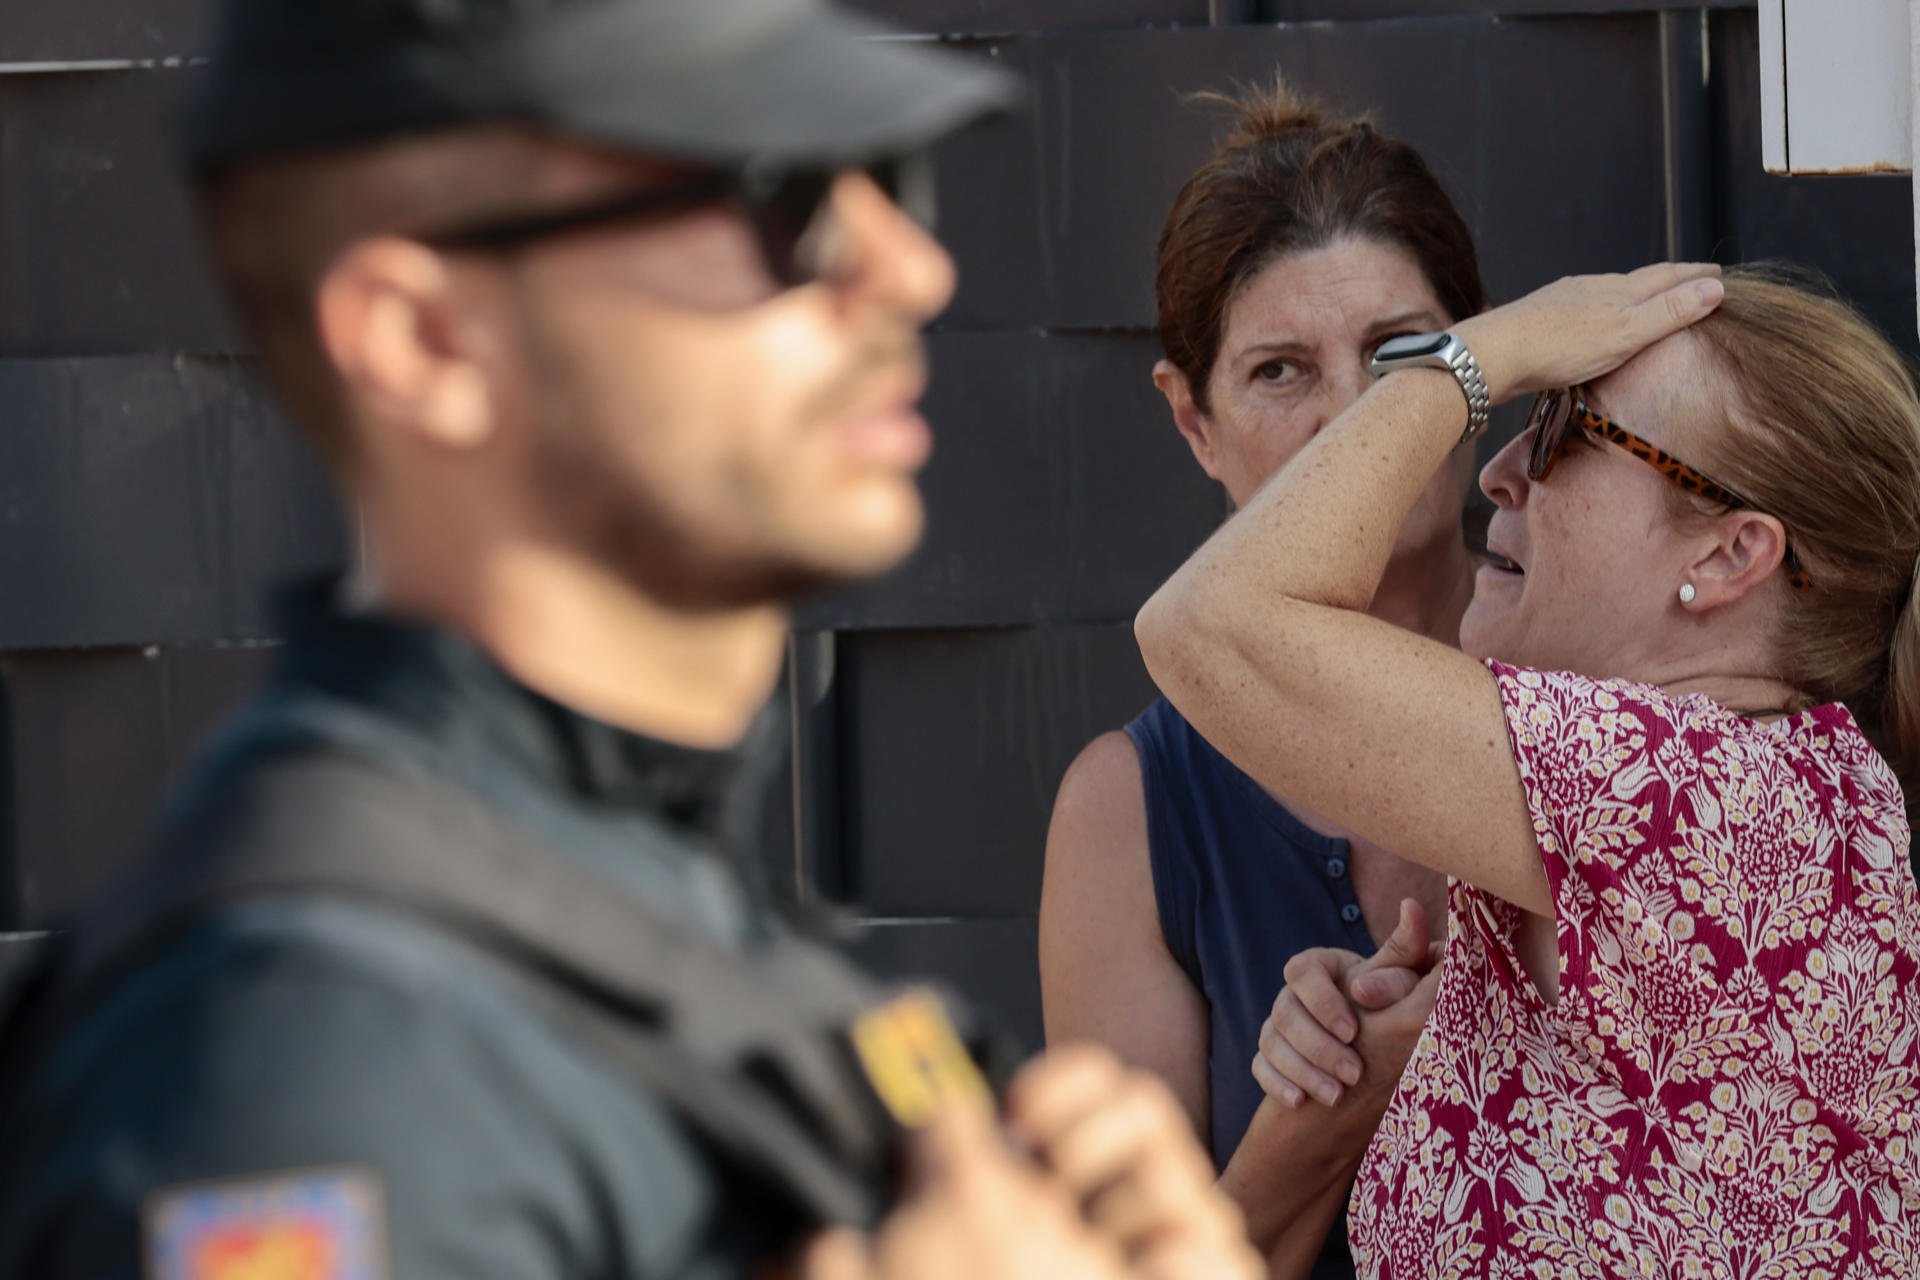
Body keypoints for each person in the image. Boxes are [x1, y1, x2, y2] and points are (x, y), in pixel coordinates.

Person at [0, 3, 1263, 1278]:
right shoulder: (300, 1067)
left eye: (883, 179)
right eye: (779, 198)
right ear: (423, 337)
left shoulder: (685, 926)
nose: (907, 270)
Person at [1135, 260, 1920, 1275]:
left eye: (1563, 431)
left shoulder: (1704, 790)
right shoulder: (1695, 797)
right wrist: (1386, 1051)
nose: (1500, 468)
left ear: (1731, 556)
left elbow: (1208, 626)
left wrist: (1476, 357)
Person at [1040, 83, 1479, 1275]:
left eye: (1402, 354)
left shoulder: (1625, 706)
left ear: (1480, 366)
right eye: (1282, 371)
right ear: (1194, 423)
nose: (1356, 416)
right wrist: (1326, 1116)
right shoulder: (1127, 812)